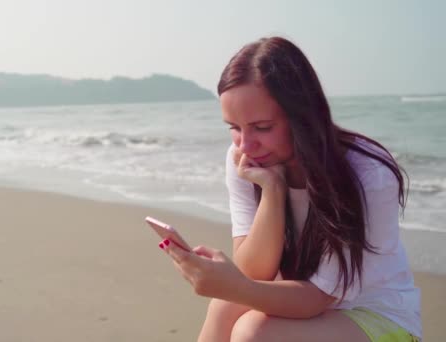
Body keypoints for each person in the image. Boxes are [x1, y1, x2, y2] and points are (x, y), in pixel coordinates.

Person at [158, 37, 421, 342]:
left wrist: (233, 285)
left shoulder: (365, 173)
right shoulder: (245, 161)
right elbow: (254, 273)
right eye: (233, 127)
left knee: (253, 333)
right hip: (303, 305)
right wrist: (272, 190)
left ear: (302, 117)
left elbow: (316, 298)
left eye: (262, 127)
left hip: (377, 316)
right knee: (223, 307)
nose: (246, 144)